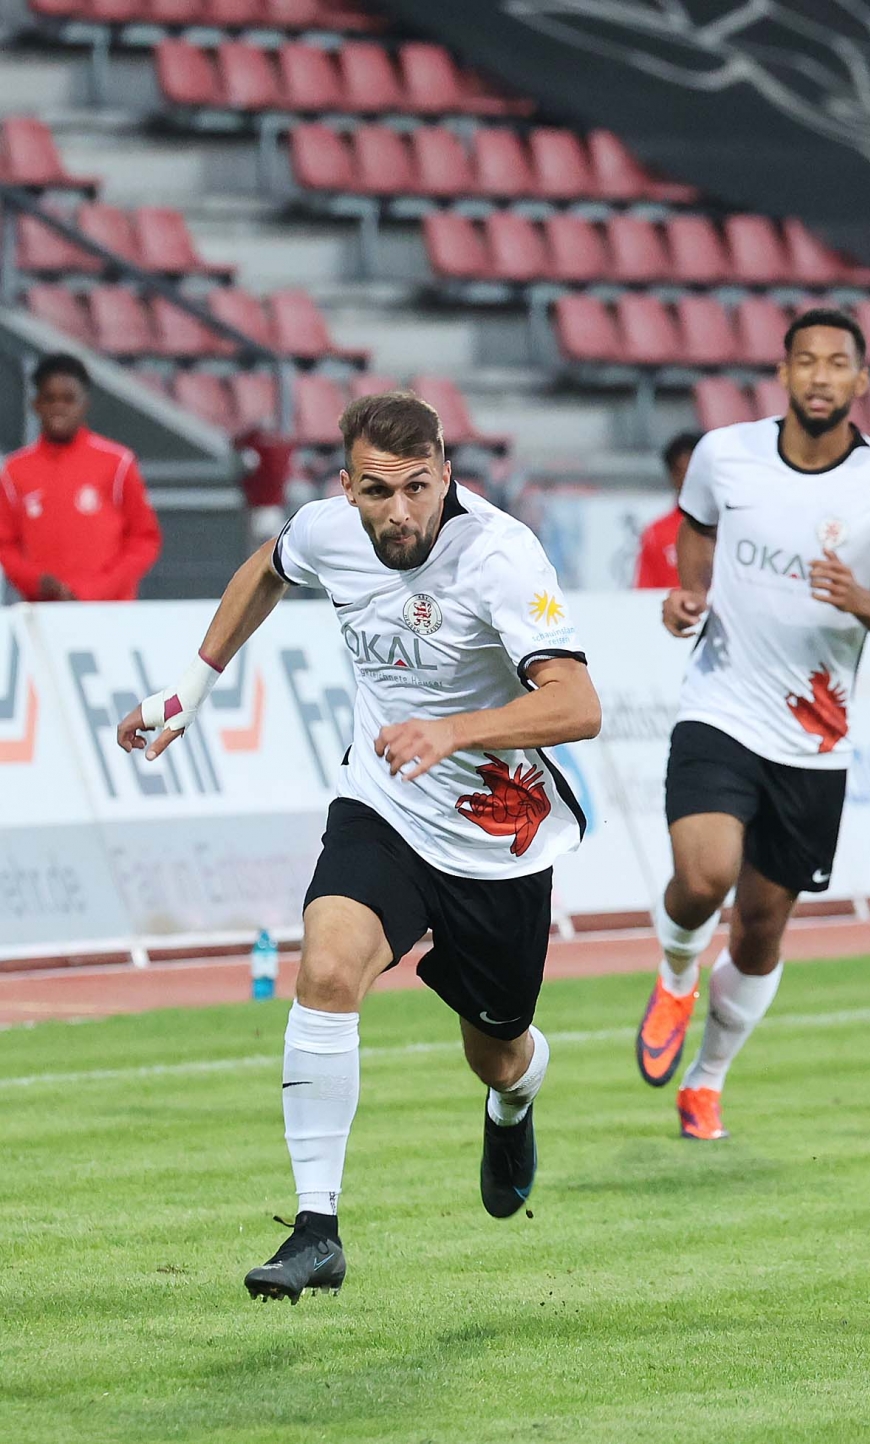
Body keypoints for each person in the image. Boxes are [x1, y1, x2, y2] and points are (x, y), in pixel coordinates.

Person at [115, 392, 601, 1303]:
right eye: (380, 491)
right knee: (328, 967)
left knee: (495, 1050)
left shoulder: (501, 556)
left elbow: (578, 705)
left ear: (448, 474)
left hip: (498, 836)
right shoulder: (329, 530)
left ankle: (515, 1098)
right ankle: (316, 1230)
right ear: (349, 488)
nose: (403, 511)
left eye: (420, 486)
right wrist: (188, 691)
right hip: (384, 805)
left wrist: (453, 732)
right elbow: (269, 564)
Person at [635, 308, 870, 1141]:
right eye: (805, 360)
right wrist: (690, 595)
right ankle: (673, 975)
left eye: (836, 363)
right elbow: (697, 528)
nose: (819, 376)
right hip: (721, 704)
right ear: (784, 372)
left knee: (762, 928)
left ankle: (707, 1080)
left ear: (861, 380)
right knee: (703, 879)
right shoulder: (724, 454)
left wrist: (861, 600)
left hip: (814, 739)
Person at [0, 353, 161, 602]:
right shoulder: (14, 470)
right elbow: (5, 544)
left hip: (109, 613)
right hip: (42, 616)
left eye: (68, 399)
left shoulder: (118, 462)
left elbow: (144, 539)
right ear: (36, 405)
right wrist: (35, 581)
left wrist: (98, 589)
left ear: (84, 404)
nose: (58, 407)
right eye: (49, 398)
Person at [634, 431, 702, 588]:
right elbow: (644, 592)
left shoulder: (729, 527)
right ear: (672, 475)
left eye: (695, 471)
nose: (688, 479)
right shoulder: (656, 533)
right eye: (681, 471)